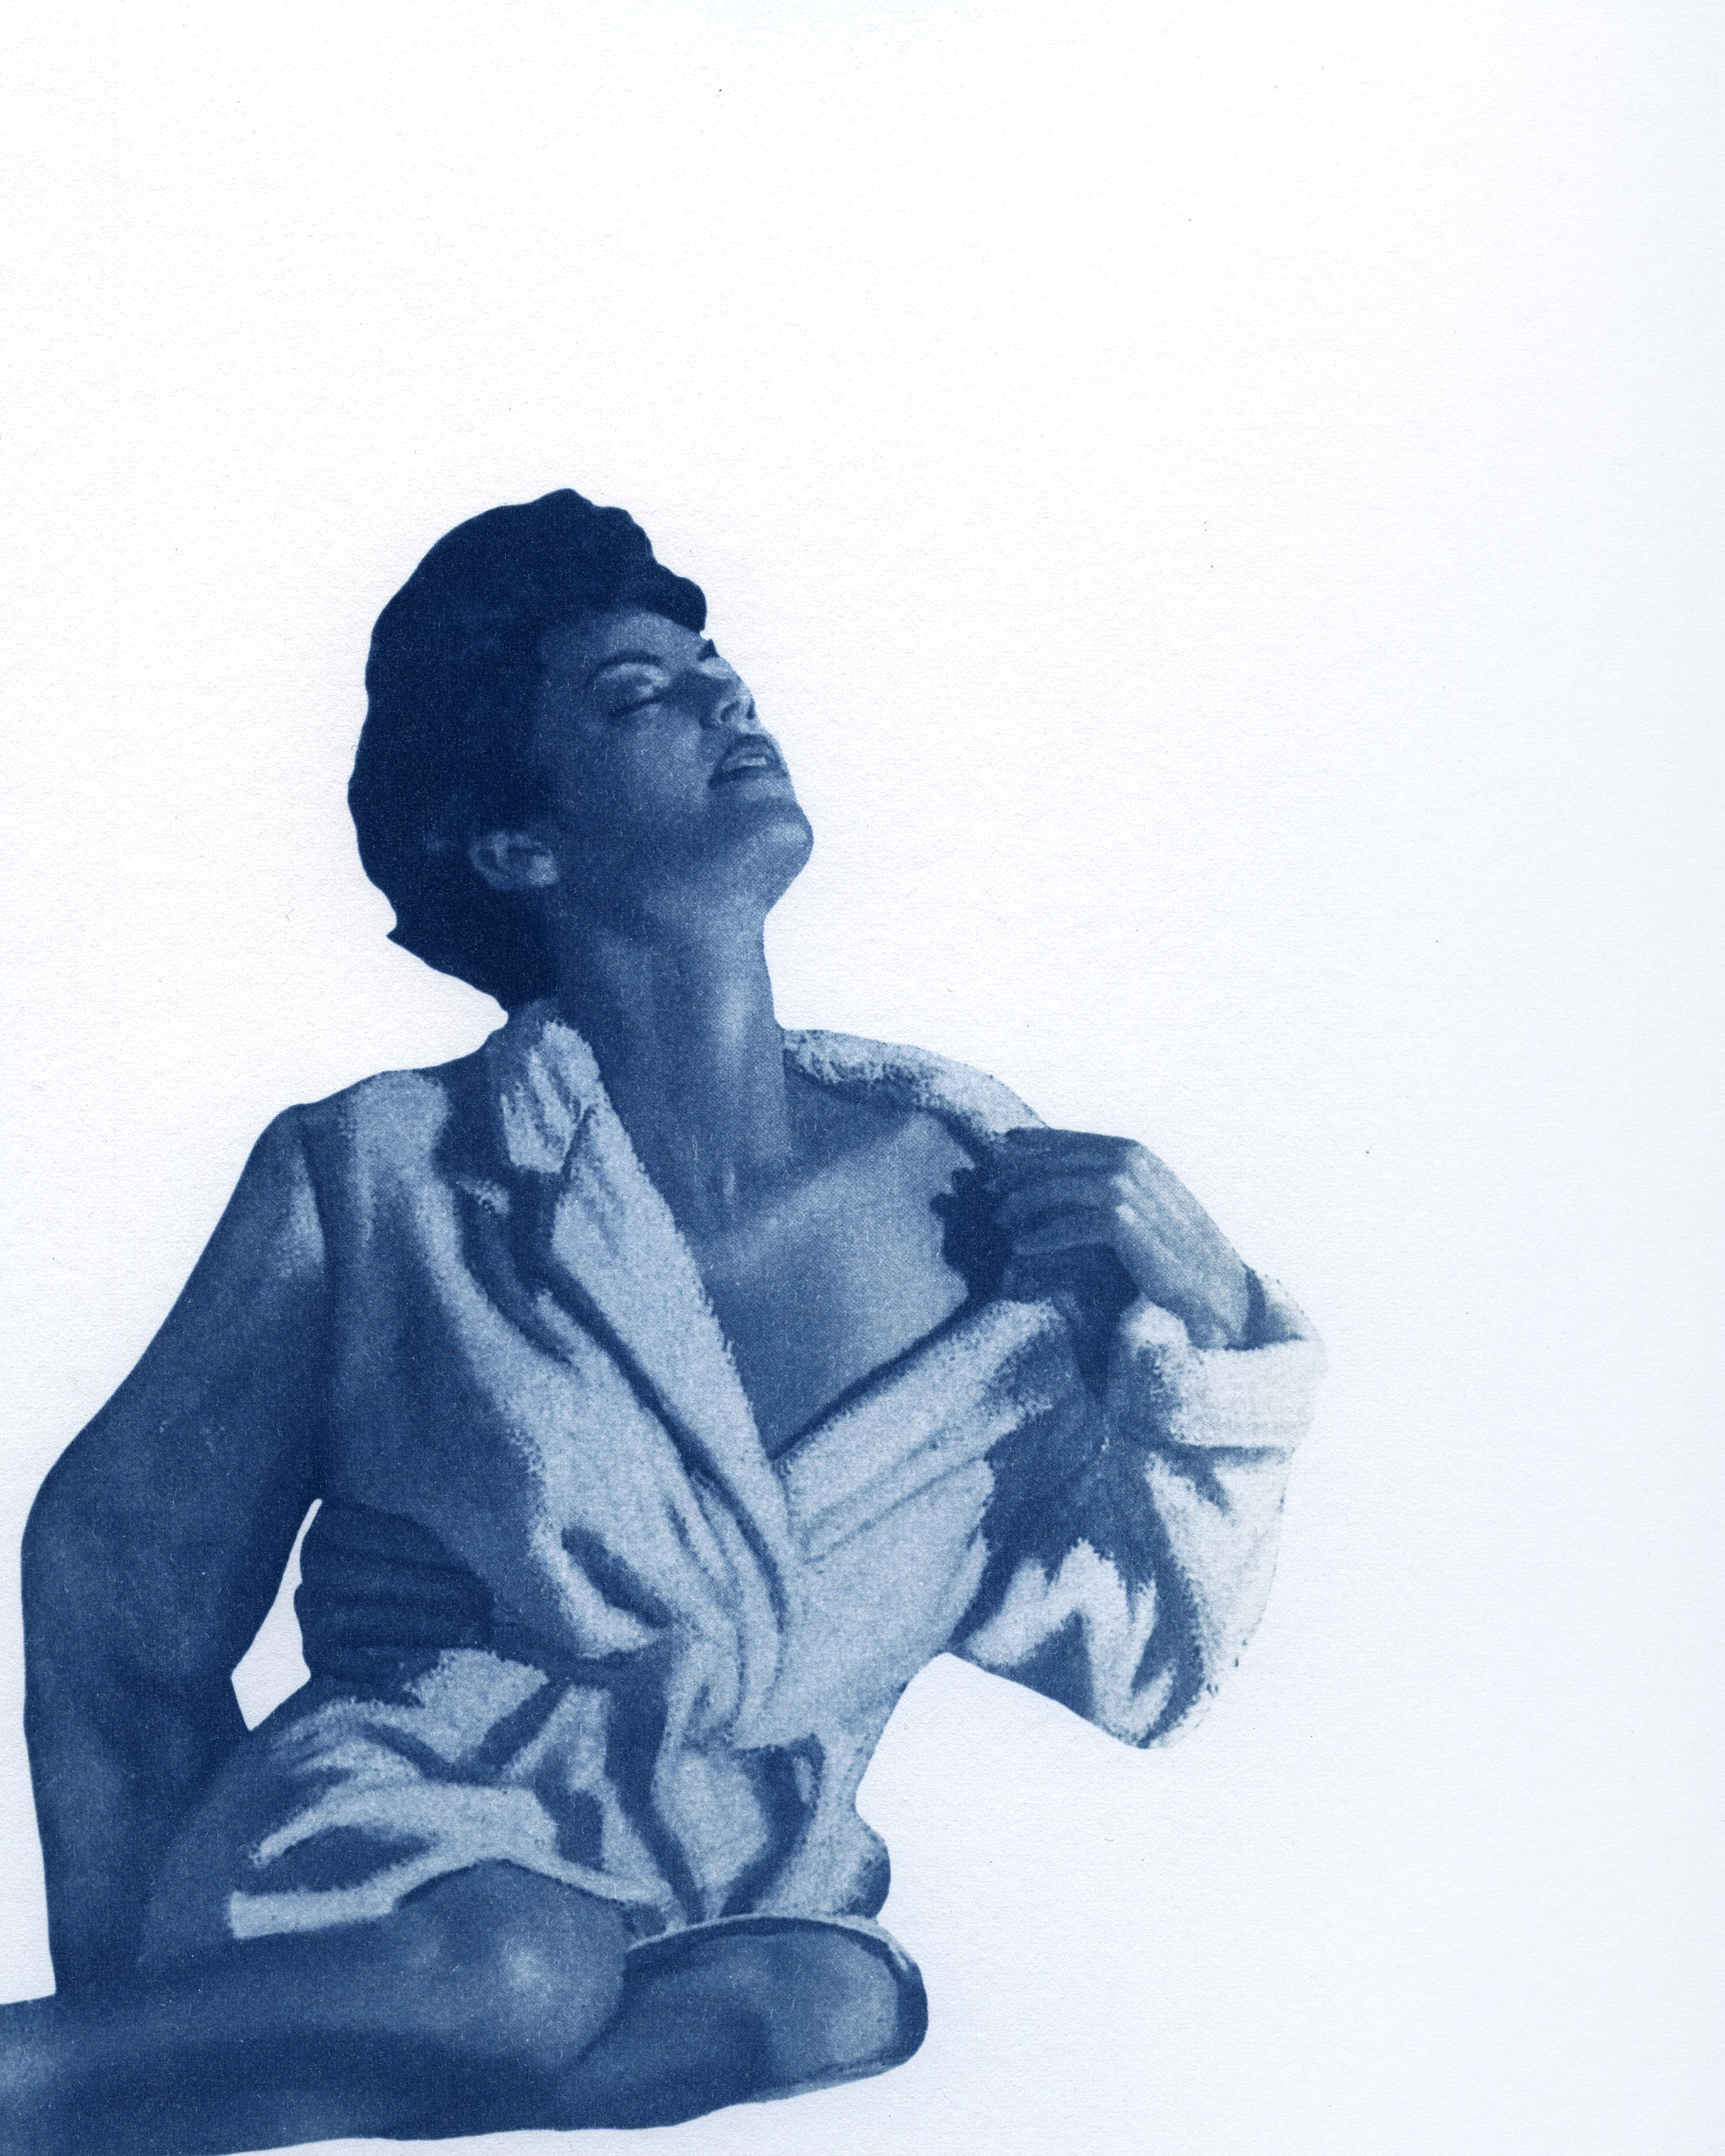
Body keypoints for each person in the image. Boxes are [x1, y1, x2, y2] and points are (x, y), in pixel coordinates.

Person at [6, 490, 1324, 2153]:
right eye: (640, 696)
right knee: (519, 1968)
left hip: (729, 1871)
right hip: (399, 1847)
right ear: (520, 845)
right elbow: (112, 1575)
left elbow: (1143, 1656)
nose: (724, 703)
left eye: (721, 676)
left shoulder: (986, 1197)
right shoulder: (387, 1173)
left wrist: (1209, 1313)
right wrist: (129, 1973)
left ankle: (108, 2103)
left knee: (839, 2001)